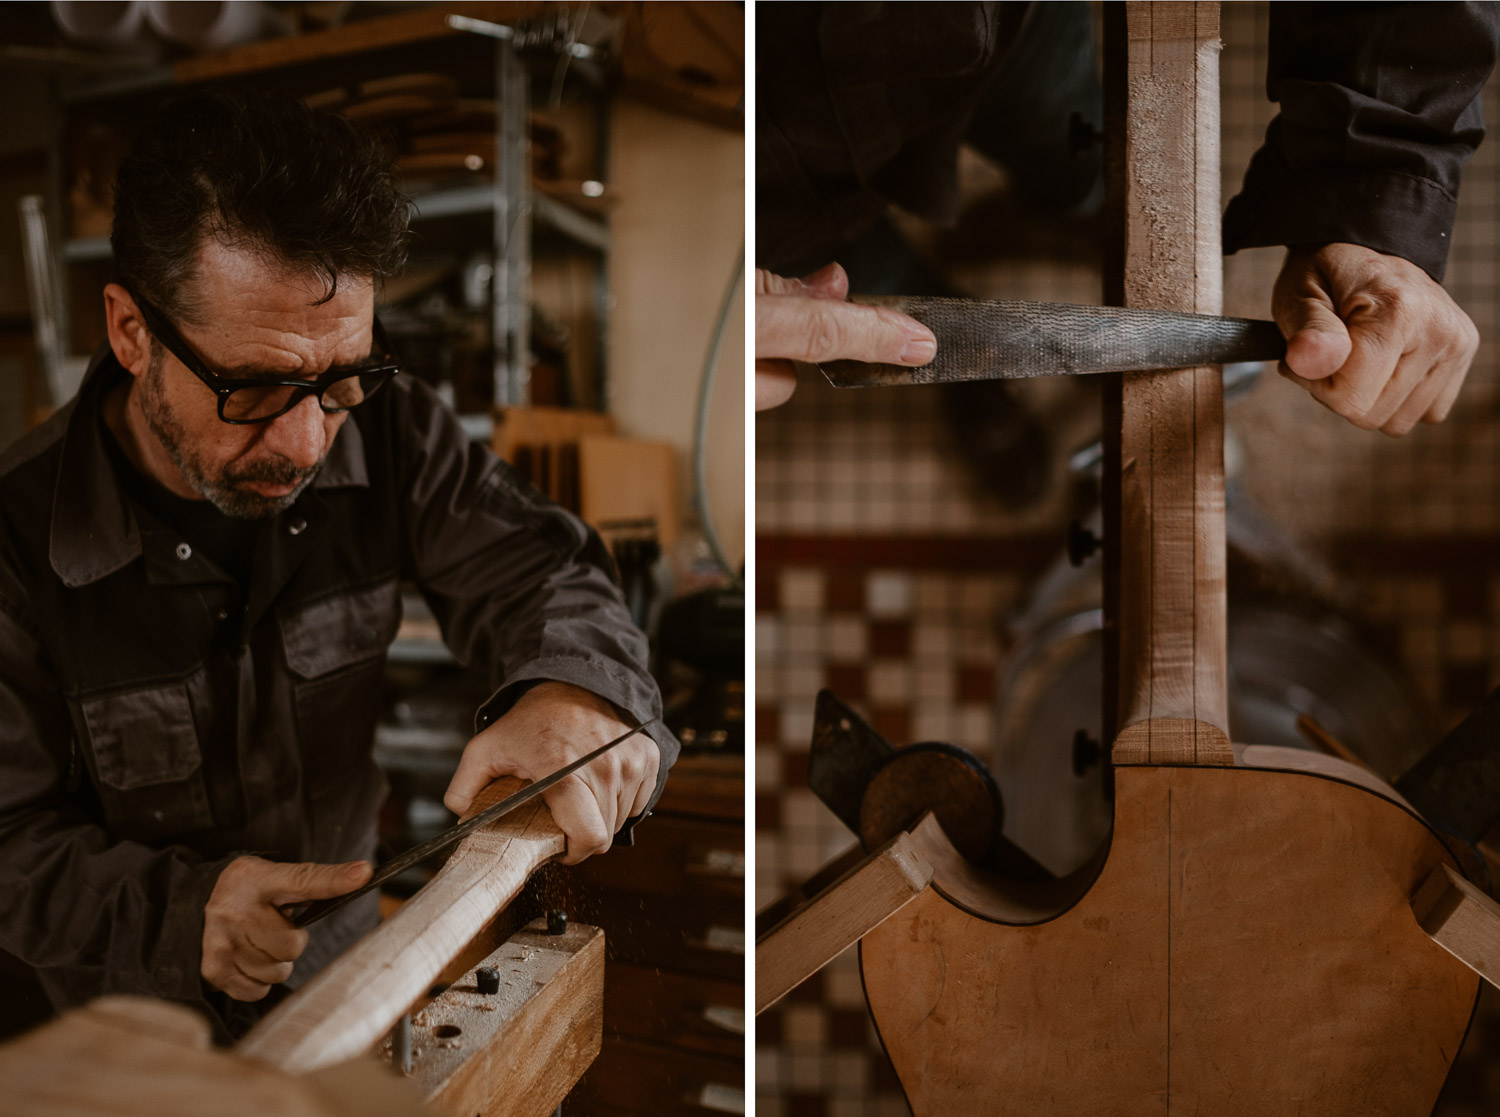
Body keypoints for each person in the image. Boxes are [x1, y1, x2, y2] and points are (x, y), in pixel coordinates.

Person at [0, 91, 675, 1041]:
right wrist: (184, 910)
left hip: (351, 986)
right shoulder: (14, 537)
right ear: (131, 331)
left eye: (339, 379)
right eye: (257, 388)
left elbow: (534, 568)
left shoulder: (393, 429)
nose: (308, 437)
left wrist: (574, 686)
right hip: (125, 1036)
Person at [755, 2, 1496, 435]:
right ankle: (979, 394)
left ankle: (1078, 212)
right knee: (859, 299)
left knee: (1079, 156)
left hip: (999, 22)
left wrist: (1372, 183)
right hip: (760, 165)